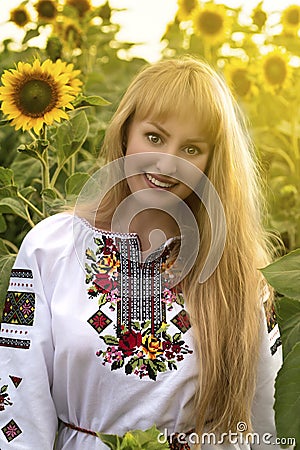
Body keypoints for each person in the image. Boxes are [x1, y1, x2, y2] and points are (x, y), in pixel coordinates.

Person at [0, 56, 283, 449]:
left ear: (212, 162)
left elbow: (267, 416)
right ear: (125, 132)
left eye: (192, 148)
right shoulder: (49, 249)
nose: (168, 163)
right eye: (154, 137)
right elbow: (18, 402)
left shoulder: (238, 271)